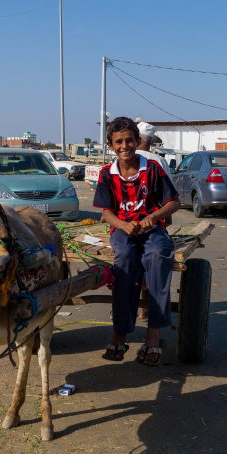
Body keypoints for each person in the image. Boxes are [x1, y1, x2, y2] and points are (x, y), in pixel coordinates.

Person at [93, 116, 181, 365]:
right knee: (125, 260)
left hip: (153, 230)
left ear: (137, 141)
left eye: (129, 140)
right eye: (118, 142)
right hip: (123, 231)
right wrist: (123, 225)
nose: (125, 146)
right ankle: (119, 335)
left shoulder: (153, 169)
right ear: (111, 145)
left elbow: (174, 203)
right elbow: (106, 213)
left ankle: (153, 336)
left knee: (157, 257)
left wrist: (152, 217)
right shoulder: (106, 174)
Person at [135, 122, 174, 319]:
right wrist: (167, 219)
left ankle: (130, 305)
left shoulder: (125, 159)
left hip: (130, 222)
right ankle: (146, 308)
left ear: (137, 139)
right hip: (154, 220)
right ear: (150, 141)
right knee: (153, 257)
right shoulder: (159, 161)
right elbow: (169, 195)